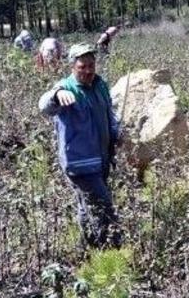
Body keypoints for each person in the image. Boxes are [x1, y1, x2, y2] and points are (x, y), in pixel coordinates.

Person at [38, 43, 120, 248]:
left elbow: (109, 114)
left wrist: (116, 135)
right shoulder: (65, 87)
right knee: (104, 208)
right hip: (80, 164)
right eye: (82, 67)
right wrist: (56, 95)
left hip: (101, 158)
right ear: (72, 67)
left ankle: (87, 247)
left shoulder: (99, 85)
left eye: (91, 65)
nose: (88, 71)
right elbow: (44, 105)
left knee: (85, 207)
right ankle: (111, 250)